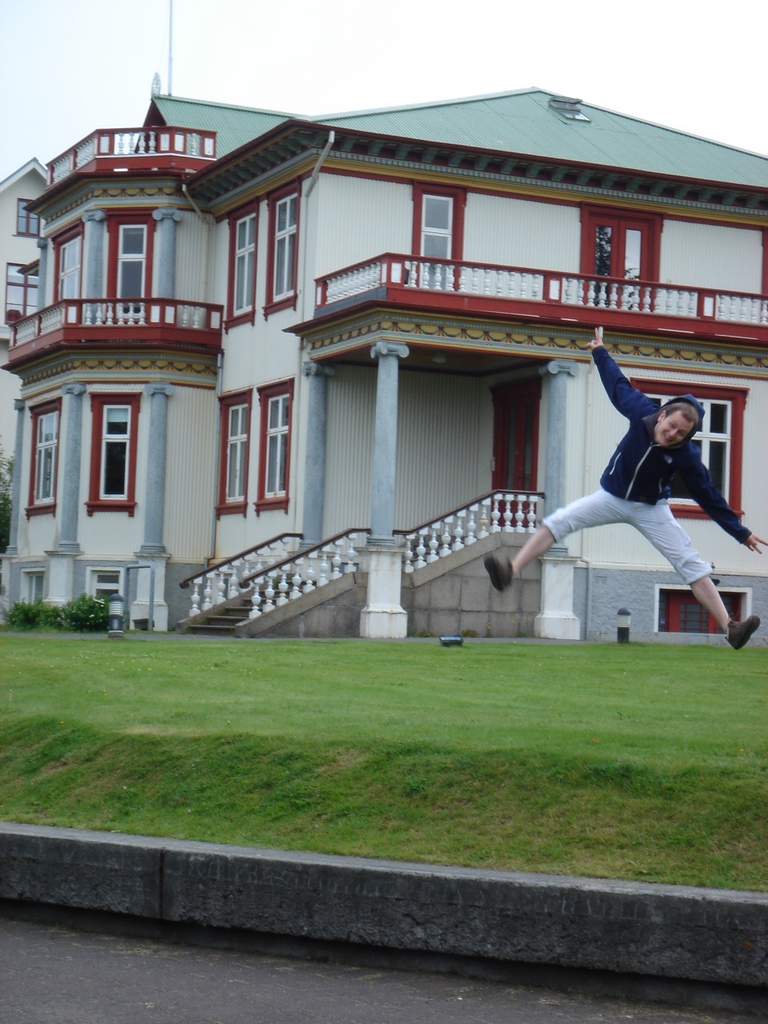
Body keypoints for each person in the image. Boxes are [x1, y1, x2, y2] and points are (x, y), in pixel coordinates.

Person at [485, 328, 766, 649]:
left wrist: (741, 533)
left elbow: (709, 496)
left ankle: (731, 627)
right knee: (559, 521)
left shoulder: (686, 456)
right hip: (611, 497)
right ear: (662, 416)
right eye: (671, 426)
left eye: (681, 434)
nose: (672, 435)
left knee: (690, 563)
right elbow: (617, 385)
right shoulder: (640, 410)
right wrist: (599, 352)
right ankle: (510, 570)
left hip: (651, 508)